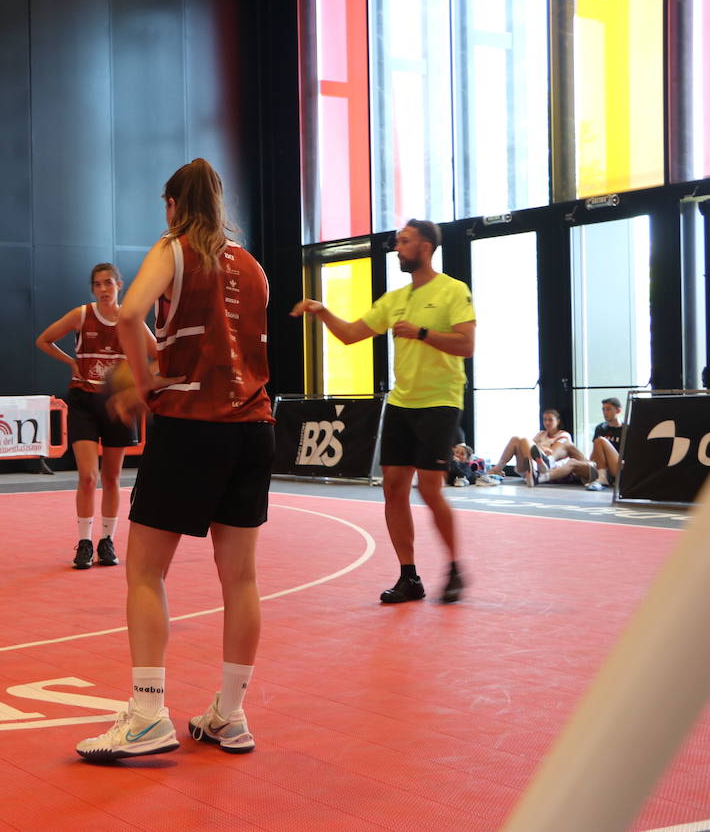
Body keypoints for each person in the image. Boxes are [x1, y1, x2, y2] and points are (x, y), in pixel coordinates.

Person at [75, 158, 273, 761]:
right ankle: (230, 715)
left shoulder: (177, 247)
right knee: (240, 578)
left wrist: (146, 379)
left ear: (173, 205)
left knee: (144, 572)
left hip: (192, 428)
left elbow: (131, 312)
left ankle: (145, 714)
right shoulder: (254, 266)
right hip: (254, 429)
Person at [291, 219, 474, 605]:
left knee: (428, 487)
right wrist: (322, 310)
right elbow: (351, 334)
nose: (397, 247)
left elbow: (467, 345)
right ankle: (410, 577)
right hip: (403, 402)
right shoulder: (394, 299)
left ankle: (455, 567)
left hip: (440, 401)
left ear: (425, 247)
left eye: (404, 242)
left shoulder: (453, 291)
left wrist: (422, 333)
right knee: (392, 487)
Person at [35, 263, 158, 569]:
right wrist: (71, 363)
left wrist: (139, 377)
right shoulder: (82, 315)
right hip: (84, 400)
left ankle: (107, 540)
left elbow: (159, 354)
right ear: (92, 289)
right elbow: (44, 339)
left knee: (113, 477)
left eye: (108, 284)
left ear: (120, 286)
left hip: (115, 402)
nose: (103, 289)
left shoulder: (131, 321)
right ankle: (85, 542)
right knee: (88, 477)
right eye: (98, 284)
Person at [489, 409, 583, 486]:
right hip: (534, 465)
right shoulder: (541, 434)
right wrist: (541, 447)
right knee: (516, 439)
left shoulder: (564, 435)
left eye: (550, 420)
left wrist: (540, 447)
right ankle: (498, 469)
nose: (547, 422)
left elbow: (554, 452)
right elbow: (530, 448)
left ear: (558, 421)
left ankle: (539, 468)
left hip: (552, 469)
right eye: (545, 420)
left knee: (525, 440)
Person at [584, 397, 624, 490]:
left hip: (620, 465)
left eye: (608, 409)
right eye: (603, 410)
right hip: (603, 466)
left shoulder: (627, 428)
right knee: (572, 463)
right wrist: (588, 462)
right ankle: (545, 476)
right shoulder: (600, 428)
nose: (605, 412)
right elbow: (595, 452)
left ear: (618, 411)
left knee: (600, 440)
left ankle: (602, 479)